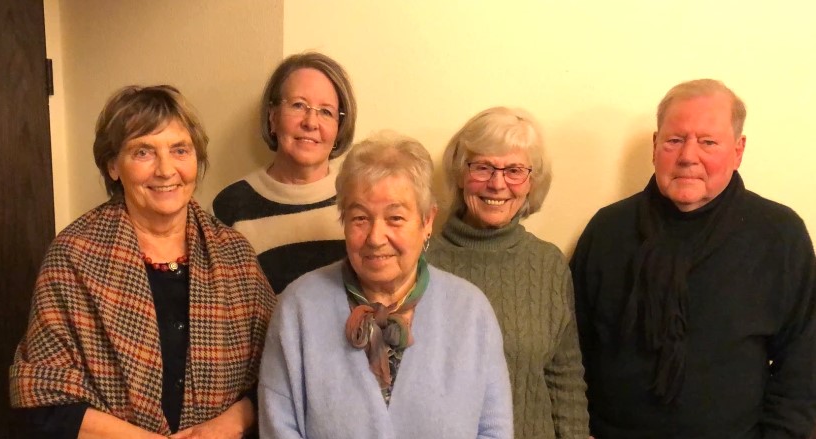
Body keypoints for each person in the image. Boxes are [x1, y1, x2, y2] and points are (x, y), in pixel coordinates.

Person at [10, 85, 276, 438]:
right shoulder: (73, 255)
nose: (165, 170)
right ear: (113, 166)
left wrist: (225, 426)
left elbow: (278, 375)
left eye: (179, 150)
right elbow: (43, 398)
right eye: (143, 152)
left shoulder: (235, 255)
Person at [570, 79, 816, 438]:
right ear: (655, 146)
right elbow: (572, 353)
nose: (688, 156)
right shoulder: (608, 231)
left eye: (708, 142)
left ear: (738, 150)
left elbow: (803, 364)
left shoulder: (779, 236)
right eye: (674, 140)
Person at [258, 131, 513, 438]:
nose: (376, 238)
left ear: (427, 221)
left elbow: (494, 430)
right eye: (360, 218)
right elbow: (278, 427)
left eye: (395, 218)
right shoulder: (298, 307)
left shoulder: (471, 312)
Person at [427, 106, 589, 438]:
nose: (497, 184)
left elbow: (565, 378)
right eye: (483, 167)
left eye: (514, 170)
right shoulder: (423, 262)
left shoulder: (547, 264)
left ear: (531, 182)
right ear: (460, 174)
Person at [212, 52, 357, 294]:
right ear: (273, 117)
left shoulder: (358, 199)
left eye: (326, 112)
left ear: (339, 128)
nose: (311, 123)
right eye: (298, 105)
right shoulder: (229, 208)